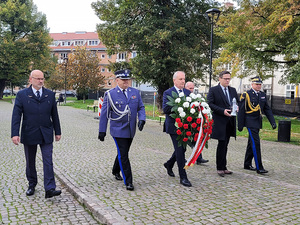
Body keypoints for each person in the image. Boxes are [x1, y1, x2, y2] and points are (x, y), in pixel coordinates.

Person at [11, 70, 62, 198]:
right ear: (30, 79)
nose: (40, 81)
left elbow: (54, 114)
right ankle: (32, 183)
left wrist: (58, 131)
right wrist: (14, 133)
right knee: (30, 161)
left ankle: (50, 188)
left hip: (46, 132)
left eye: (42, 79)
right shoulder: (22, 95)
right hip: (29, 132)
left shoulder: (49, 95)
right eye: (38, 79)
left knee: (48, 160)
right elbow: (16, 115)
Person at [98, 69, 146, 191]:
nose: (126, 82)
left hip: (131, 129)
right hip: (118, 129)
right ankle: (128, 181)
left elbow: (140, 107)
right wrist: (102, 131)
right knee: (124, 154)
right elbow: (104, 114)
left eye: (127, 79)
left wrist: (142, 119)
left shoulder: (134, 92)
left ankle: (115, 170)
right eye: (123, 80)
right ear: (117, 80)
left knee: (122, 152)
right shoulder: (110, 94)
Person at [238, 76, 276, 174]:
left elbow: (267, 109)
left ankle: (247, 164)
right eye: (257, 84)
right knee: (256, 143)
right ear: (252, 84)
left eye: (260, 84)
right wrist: (240, 124)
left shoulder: (262, 95)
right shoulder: (246, 94)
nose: (259, 86)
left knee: (251, 143)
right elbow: (242, 110)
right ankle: (259, 167)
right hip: (250, 121)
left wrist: (272, 122)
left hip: (258, 121)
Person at [163, 71, 192, 187]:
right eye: (180, 79)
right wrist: (178, 106)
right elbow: (165, 109)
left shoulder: (187, 92)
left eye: (184, 79)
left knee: (182, 149)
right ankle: (183, 177)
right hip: (174, 126)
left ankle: (169, 164)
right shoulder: (168, 92)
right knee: (180, 150)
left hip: (187, 125)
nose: (183, 81)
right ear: (174, 80)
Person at [207, 71, 238, 177]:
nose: (227, 81)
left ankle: (224, 166)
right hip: (220, 121)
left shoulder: (232, 90)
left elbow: (236, 102)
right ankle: (220, 167)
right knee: (221, 144)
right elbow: (210, 104)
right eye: (225, 78)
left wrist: (236, 107)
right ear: (220, 79)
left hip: (230, 121)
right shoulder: (214, 90)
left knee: (226, 144)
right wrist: (222, 110)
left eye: (229, 78)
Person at [185, 81, 209, 165]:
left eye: (192, 88)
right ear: (185, 88)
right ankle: (179, 157)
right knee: (184, 141)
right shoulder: (183, 97)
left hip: (195, 122)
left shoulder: (195, 97)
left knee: (196, 139)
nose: (191, 90)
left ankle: (199, 157)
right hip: (186, 122)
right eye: (189, 88)